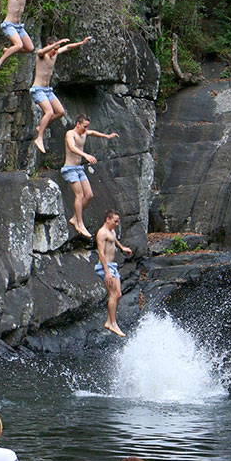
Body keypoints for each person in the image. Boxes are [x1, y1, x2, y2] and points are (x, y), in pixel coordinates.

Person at [31, 35, 92, 153]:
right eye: (54, 48)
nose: (56, 51)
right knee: (49, 112)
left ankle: (41, 127)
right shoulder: (41, 56)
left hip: (47, 90)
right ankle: (39, 138)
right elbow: (40, 51)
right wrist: (56, 43)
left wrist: (81, 43)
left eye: (57, 49)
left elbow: (68, 47)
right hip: (37, 89)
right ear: (49, 46)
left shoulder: (55, 53)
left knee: (60, 112)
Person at [62, 114, 119, 238]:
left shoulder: (85, 133)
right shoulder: (70, 134)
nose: (85, 129)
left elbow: (93, 133)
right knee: (79, 195)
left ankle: (74, 218)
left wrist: (107, 136)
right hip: (69, 169)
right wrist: (86, 155)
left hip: (79, 169)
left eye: (87, 127)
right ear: (78, 124)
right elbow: (71, 147)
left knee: (89, 195)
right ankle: (80, 223)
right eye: (84, 127)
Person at [96, 209, 132, 337]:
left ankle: (108, 321)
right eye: (115, 221)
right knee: (113, 294)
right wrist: (106, 272)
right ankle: (113, 324)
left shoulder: (111, 231)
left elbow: (114, 239)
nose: (117, 224)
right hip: (105, 267)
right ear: (108, 219)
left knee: (119, 294)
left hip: (112, 266)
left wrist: (122, 248)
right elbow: (101, 253)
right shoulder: (101, 233)